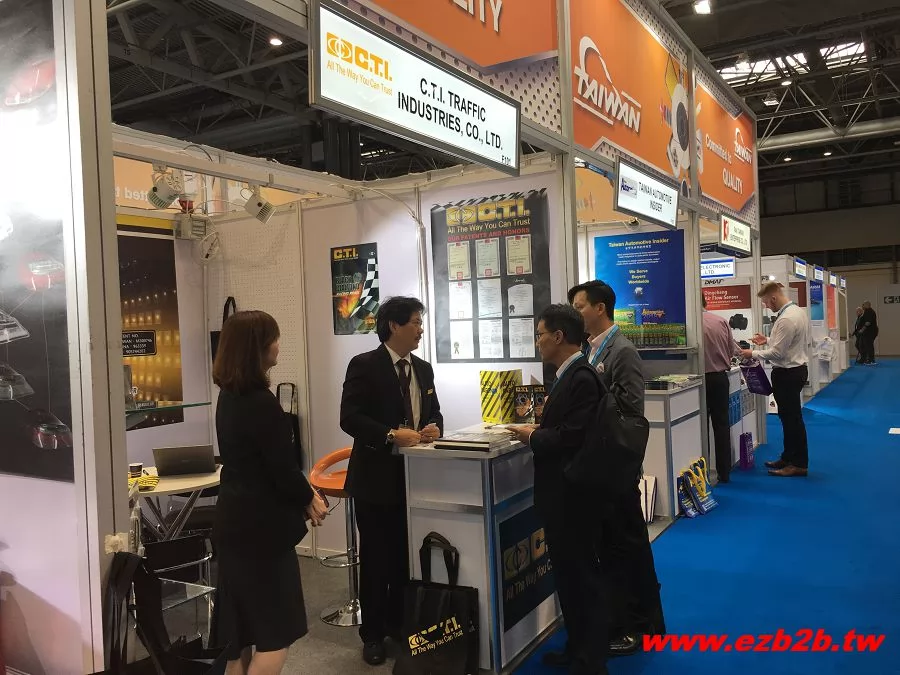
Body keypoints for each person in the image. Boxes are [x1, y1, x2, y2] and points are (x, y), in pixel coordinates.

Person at [212, 310, 329, 675]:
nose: (279, 344)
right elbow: (281, 469)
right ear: (258, 347)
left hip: (233, 525)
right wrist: (309, 498)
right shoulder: (261, 402)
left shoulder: (228, 396)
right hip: (262, 535)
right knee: (274, 637)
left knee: (239, 638)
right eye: (274, 338)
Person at [340, 296, 443, 665]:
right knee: (376, 560)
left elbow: (435, 413)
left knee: (405, 558)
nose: (420, 330)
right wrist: (389, 435)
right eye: (415, 322)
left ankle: (400, 625)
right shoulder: (364, 365)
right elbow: (349, 417)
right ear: (394, 325)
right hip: (375, 480)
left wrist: (433, 428)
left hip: (414, 480)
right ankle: (372, 635)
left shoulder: (423, 369)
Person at [508, 304, 608, 675]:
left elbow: (572, 437)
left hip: (572, 496)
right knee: (568, 575)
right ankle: (577, 647)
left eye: (540, 335)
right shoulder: (570, 374)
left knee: (581, 575)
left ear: (558, 336)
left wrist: (532, 436)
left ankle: (590, 659)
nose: (537, 342)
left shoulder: (580, 377)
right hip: (565, 494)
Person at [568, 280, 665, 654]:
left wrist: (590, 406)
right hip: (599, 467)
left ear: (600, 308)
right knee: (611, 547)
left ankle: (640, 626)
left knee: (628, 546)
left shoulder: (621, 350)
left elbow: (631, 409)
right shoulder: (589, 349)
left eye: (579, 306)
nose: (576, 313)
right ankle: (622, 620)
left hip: (617, 466)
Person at [740, 282, 810, 477]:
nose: (766, 306)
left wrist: (752, 353)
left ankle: (798, 463)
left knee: (792, 420)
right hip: (794, 371)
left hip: (787, 373)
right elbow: (788, 343)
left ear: (773, 297)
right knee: (788, 418)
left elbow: (778, 353)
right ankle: (788, 457)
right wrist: (768, 341)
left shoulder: (786, 318)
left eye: (766, 302)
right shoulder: (797, 312)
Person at [701, 294, 741, 483]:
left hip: (697, 382)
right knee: (721, 425)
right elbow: (732, 350)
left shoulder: (689, 324)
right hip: (719, 379)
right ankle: (724, 472)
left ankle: (702, 475)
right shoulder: (721, 321)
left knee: (699, 427)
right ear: (705, 302)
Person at [859, 301, 879, 365]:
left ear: (867, 305)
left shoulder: (869, 311)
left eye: (863, 305)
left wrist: (862, 330)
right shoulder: (867, 311)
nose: (862, 306)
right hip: (869, 332)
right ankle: (868, 359)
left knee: (869, 346)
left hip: (870, 332)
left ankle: (871, 360)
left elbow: (868, 322)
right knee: (867, 345)